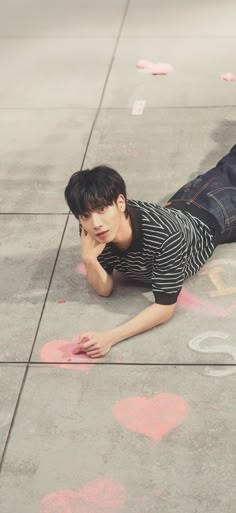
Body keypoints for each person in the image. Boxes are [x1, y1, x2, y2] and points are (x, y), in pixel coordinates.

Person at [64, 145, 236, 359]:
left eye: (101, 210)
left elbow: (164, 308)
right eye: (85, 215)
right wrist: (89, 259)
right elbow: (104, 289)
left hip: (220, 209)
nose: (96, 223)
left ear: (120, 203)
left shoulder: (165, 236)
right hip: (188, 206)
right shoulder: (94, 230)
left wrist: (109, 337)